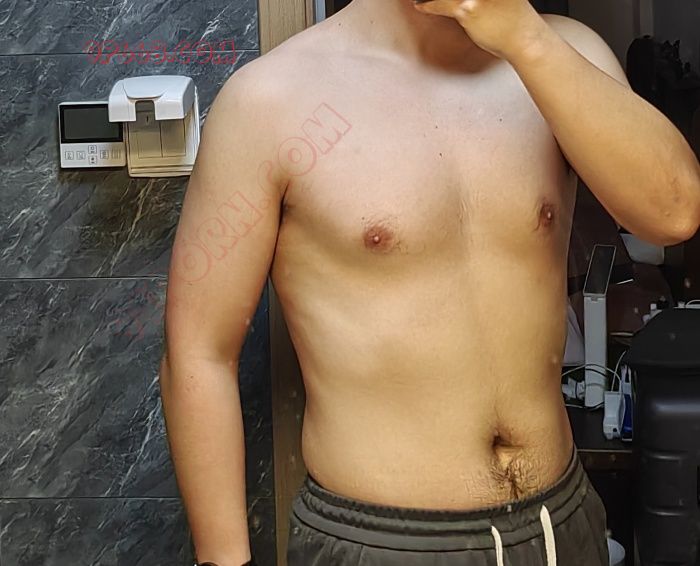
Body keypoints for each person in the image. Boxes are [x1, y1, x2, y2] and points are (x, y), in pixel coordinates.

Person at [158, 0, 700, 564]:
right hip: (380, 541)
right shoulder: (269, 102)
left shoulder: (564, 51)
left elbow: (674, 214)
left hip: (558, 523)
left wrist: (526, 39)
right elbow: (198, 351)